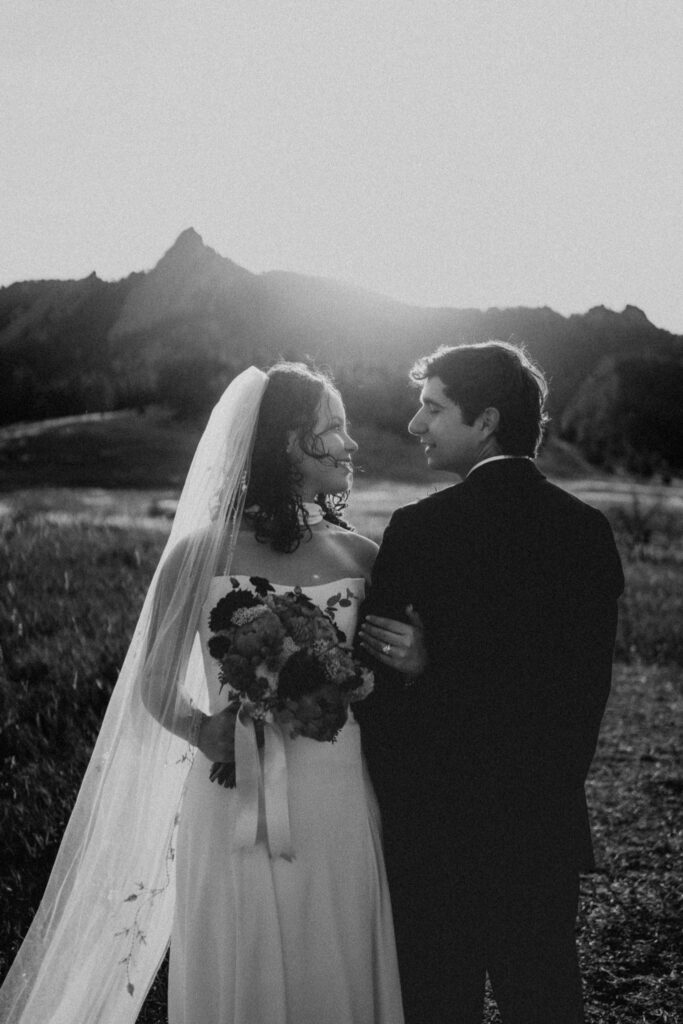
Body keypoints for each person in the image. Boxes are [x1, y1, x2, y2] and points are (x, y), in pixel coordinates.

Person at [0, 362, 407, 1024]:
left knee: (331, 948)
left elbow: (389, 682)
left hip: (336, 795)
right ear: (288, 443)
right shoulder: (197, 555)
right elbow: (154, 684)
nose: (351, 445)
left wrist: (411, 660)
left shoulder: (363, 558)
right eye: (333, 429)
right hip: (229, 794)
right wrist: (200, 729)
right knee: (239, 947)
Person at [357, 341, 625, 1024]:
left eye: (432, 407)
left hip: (432, 829)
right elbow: (577, 699)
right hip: (540, 826)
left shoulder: (418, 532)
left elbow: (381, 706)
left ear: (484, 421)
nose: (416, 424)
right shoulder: (586, 531)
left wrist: (426, 671)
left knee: (436, 1000)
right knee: (543, 998)